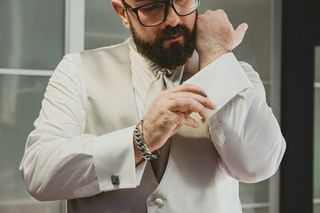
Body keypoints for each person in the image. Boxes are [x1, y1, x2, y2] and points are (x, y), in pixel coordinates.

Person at [20, 0, 286, 212]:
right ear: (122, 12)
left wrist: (217, 55)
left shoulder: (235, 74)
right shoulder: (76, 70)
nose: (172, 19)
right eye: (151, 7)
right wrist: (139, 141)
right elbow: (39, 173)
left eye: (182, 1)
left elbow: (258, 165)